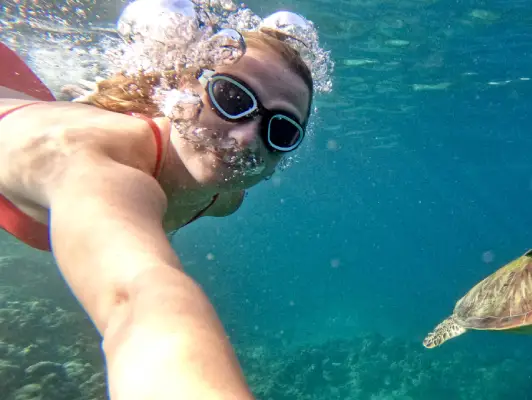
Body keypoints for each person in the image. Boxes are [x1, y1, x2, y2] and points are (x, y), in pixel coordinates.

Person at [0, 19, 314, 399]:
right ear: (184, 85)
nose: (247, 138)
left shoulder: (224, 195)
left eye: (279, 131)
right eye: (231, 99)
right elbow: (136, 300)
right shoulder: (95, 167)